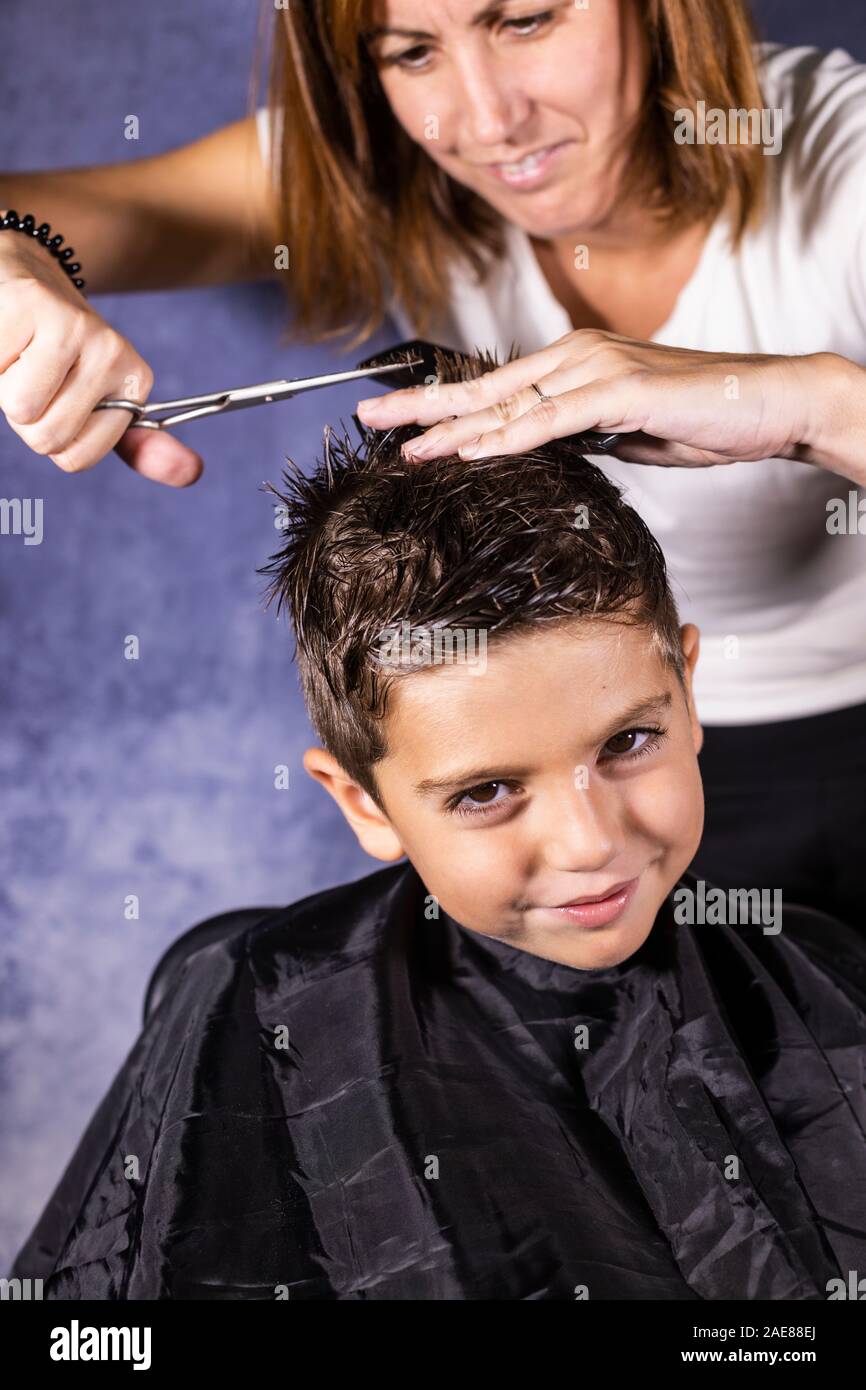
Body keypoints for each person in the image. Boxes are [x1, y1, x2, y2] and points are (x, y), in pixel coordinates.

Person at [9, 346, 866, 1299]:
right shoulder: (249, 1006)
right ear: (361, 803)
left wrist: (828, 405)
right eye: (487, 792)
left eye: (628, 741)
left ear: (689, 693)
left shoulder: (829, 977)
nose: (590, 841)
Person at [1, 3, 865, 929]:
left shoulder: (840, 169)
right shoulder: (383, 162)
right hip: (619, 762)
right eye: (414, 53)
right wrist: (18, 267)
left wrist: (809, 405)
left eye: (527, 21)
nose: (488, 121)